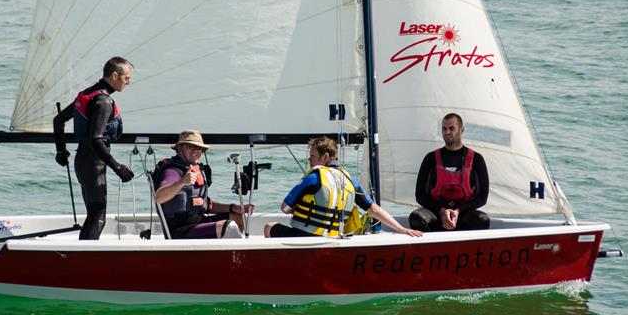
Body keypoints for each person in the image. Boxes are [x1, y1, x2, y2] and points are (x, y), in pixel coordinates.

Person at [264, 136, 423, 238]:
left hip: (303, 236)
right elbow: (373, 209)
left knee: (269, 226)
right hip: (332, 238)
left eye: (312, 155)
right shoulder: (350, 180)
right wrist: (402, 229)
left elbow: (284, 208)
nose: (309, 159)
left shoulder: (313, 177)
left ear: (325, 157)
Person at [53, 57, 135, 240]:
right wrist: (118, 168)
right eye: (126, 78)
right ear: (115, 75)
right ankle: (82, 259)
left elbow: (58, 121)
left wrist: (60, 151)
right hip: (93, 164)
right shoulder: (103, 102)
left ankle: (81, 256)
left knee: (94, 214)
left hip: (81, 161)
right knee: (98, 217)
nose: (128, 83)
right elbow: (96, 139)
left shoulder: (87, 94)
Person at [154, 130, 252, 239]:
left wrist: (233, 207)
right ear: (179, 148)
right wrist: (182, 182)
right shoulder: (172, 171)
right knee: (227, 227)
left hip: (198, 221)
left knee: (238, 218)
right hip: (180, 230)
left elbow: (206, 204)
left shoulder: (195, 169)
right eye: (190, 146)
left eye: (199, 148)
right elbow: (159, 197)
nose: (196, 151)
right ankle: (238, 254)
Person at [409, 113, 490, 232]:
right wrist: (442, 211)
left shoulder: (476, 159)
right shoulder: (430, 158)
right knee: (416, 218)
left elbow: (482, 197)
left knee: (482, 220)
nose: (447, 132)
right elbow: (420, 195)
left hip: (463, 214)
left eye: (451, 128)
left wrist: (458, 211)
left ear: (461, 130)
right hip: (436, 214)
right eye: (444, 128)